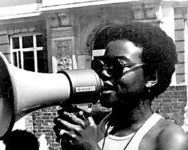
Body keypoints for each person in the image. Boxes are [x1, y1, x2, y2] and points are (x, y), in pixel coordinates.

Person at [53, 22, 188, 150]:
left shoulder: (168, 138)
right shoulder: (93, 124)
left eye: (117, 66)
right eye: (100, 66)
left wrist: (89, 147)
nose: (104, 73)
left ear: (151, 77)